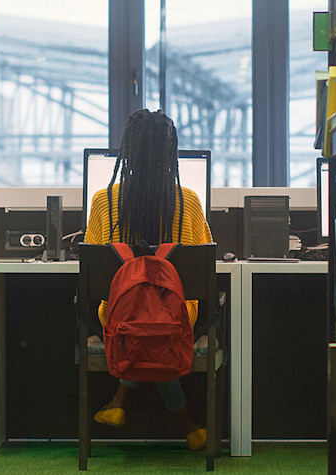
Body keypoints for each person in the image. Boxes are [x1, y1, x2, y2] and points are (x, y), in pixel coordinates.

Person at [83, 109, 214, 451]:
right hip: (178, 316)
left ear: (127, 150)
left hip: (117, 315)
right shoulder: (188, 201)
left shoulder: (102, 200)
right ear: (171, 153)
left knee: (134, 322)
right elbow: (203, 258)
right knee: (162, 324)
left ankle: (118, 401)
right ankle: (187, 425)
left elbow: (94, 262)